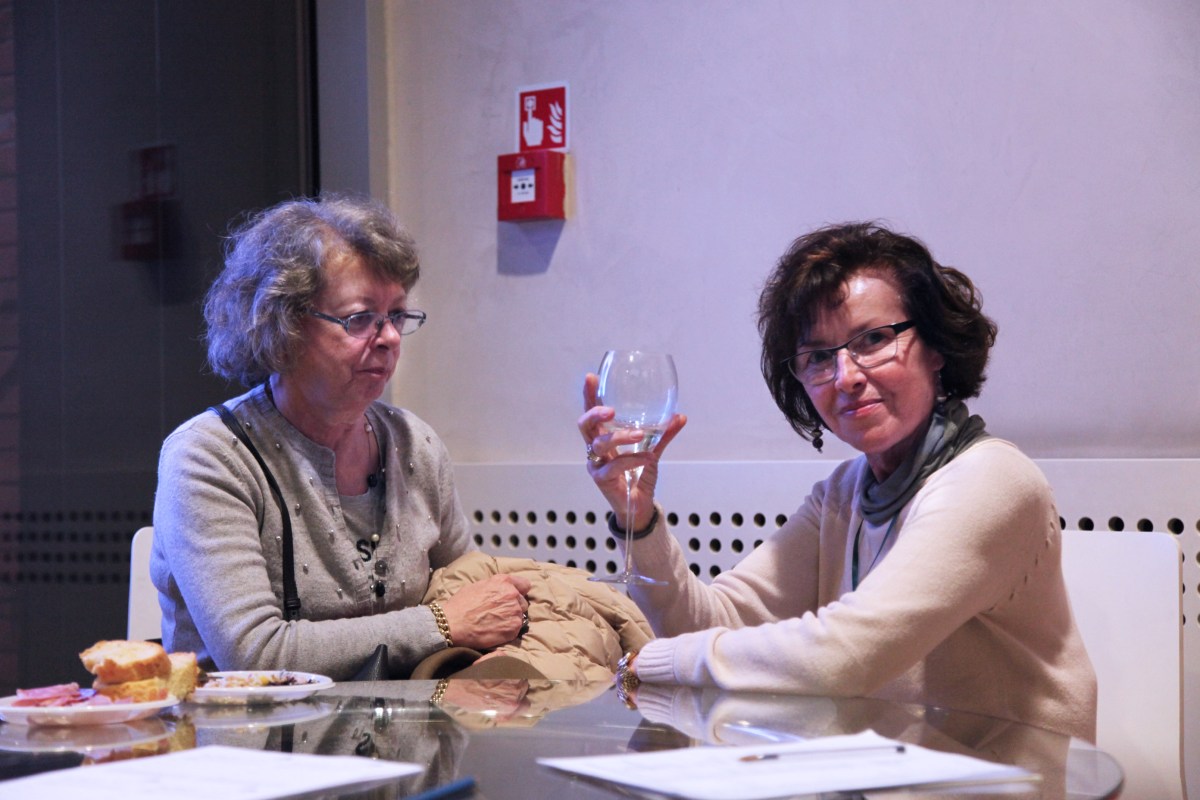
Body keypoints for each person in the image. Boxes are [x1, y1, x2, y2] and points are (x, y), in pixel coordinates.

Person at [577, 222, 1097, 741]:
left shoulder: (991, 481)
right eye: (820, 357)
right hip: (888, 773)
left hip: (1005, 778)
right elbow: (714, 623)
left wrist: (655, 661)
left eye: (873, 340)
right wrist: (637, 518)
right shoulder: (845, 493)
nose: (847, 376)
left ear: (935, 346)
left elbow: (845, 655)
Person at [152, 194, 530, 680]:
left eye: (397, 315)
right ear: (283, 326)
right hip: (251, 728)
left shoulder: (415, 444)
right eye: (360, 318)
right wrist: (440, 624)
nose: (389, 338)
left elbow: (471, 597)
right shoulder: (209, 456)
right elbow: (255, 655)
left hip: (411, 727)